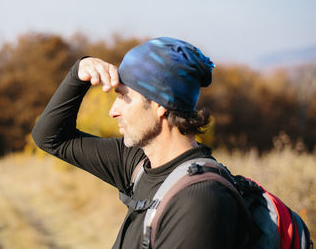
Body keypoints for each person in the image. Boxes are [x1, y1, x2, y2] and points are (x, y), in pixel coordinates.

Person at [32, 37, 251, 248]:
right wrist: (79, 71)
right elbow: (51, 137)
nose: (113, 111)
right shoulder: (138, 162)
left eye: (123, 97)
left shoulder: (200, 200)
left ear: (159, 105)